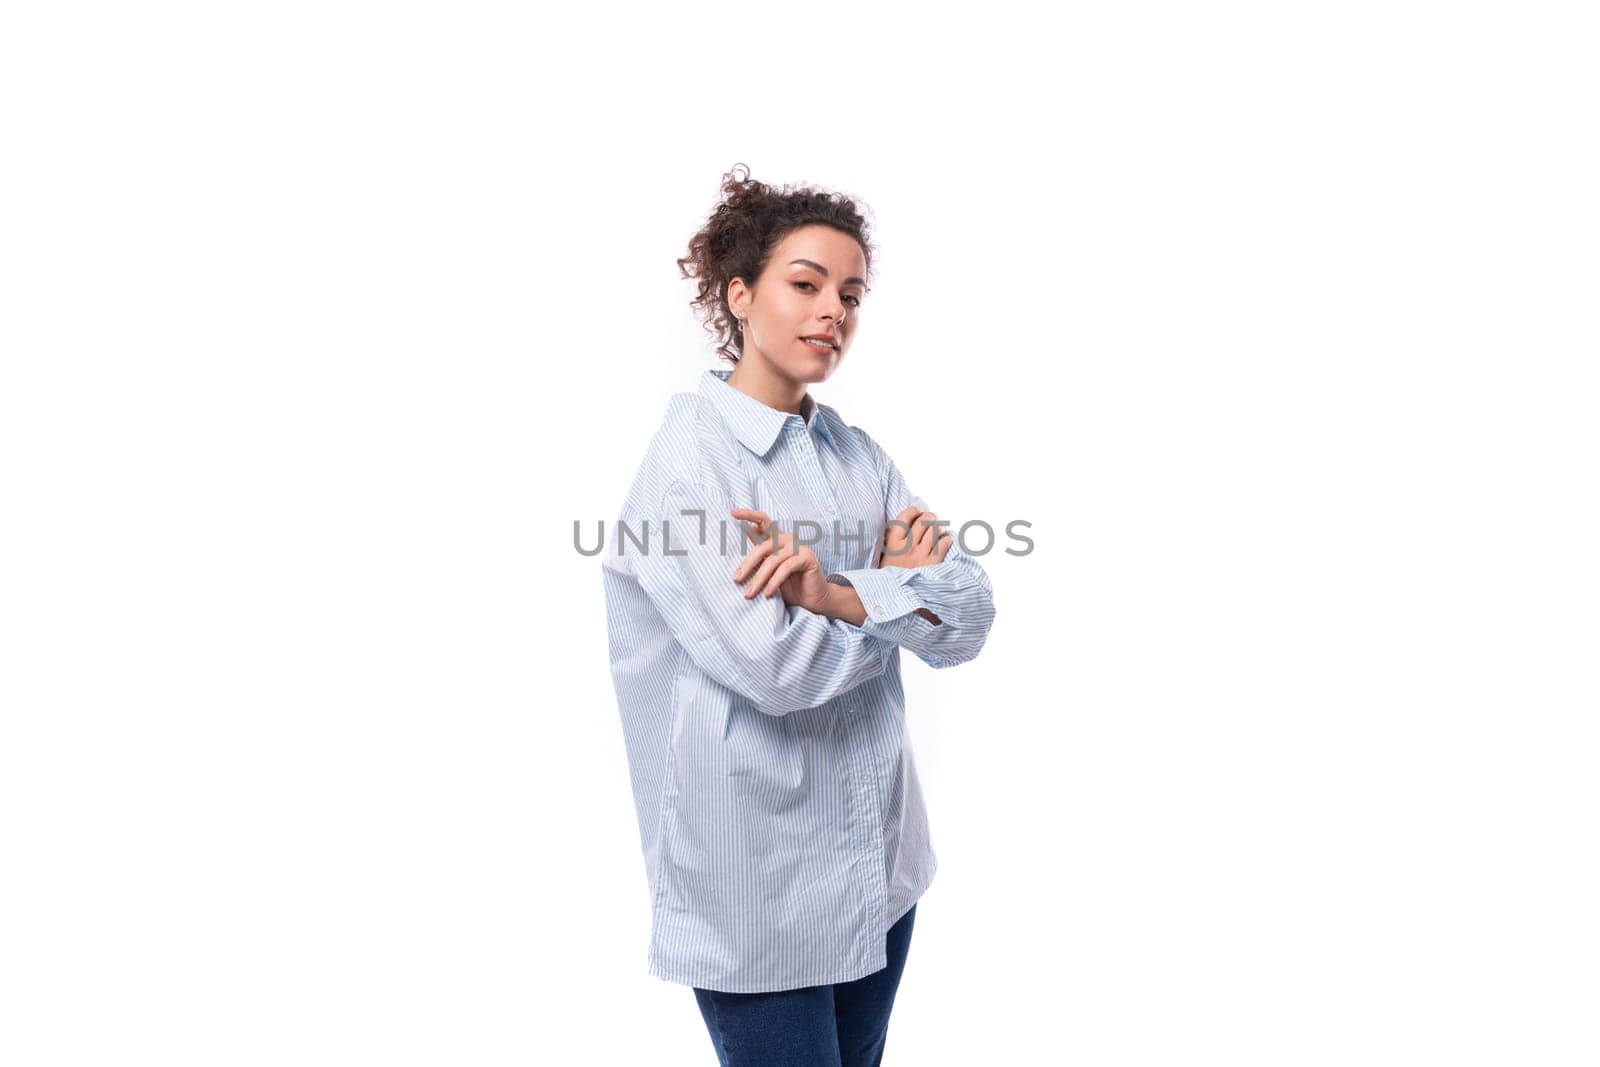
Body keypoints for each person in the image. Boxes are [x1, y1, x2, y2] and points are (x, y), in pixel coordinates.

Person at [600, 164, 997, 1066]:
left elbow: (969, 614)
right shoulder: (689, 472)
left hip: (879, 872)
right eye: (806, 283)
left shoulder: (856, 455)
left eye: (851, 292)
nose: (835, 312)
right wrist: (895, 600)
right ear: (740, 296)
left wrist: (834, 594)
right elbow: (777, 670)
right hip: (759, 892)